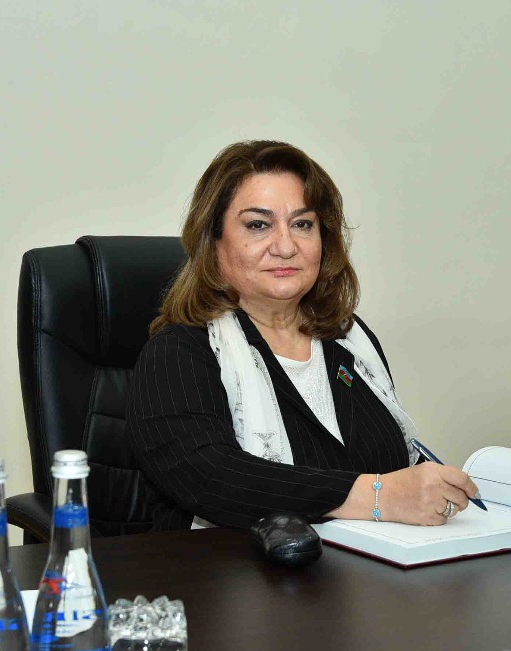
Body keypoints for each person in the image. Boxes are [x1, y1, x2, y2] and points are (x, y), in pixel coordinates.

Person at [127, 140, 478, 531]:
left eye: (302, 224)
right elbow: (212, 478)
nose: (285, 246)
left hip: (374, 563)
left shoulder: (351, 341)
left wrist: (429, 488)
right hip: (231, 566)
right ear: (213, 241)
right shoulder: (178, 352)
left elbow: (393, 459)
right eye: (258, 225)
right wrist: (380, 497)